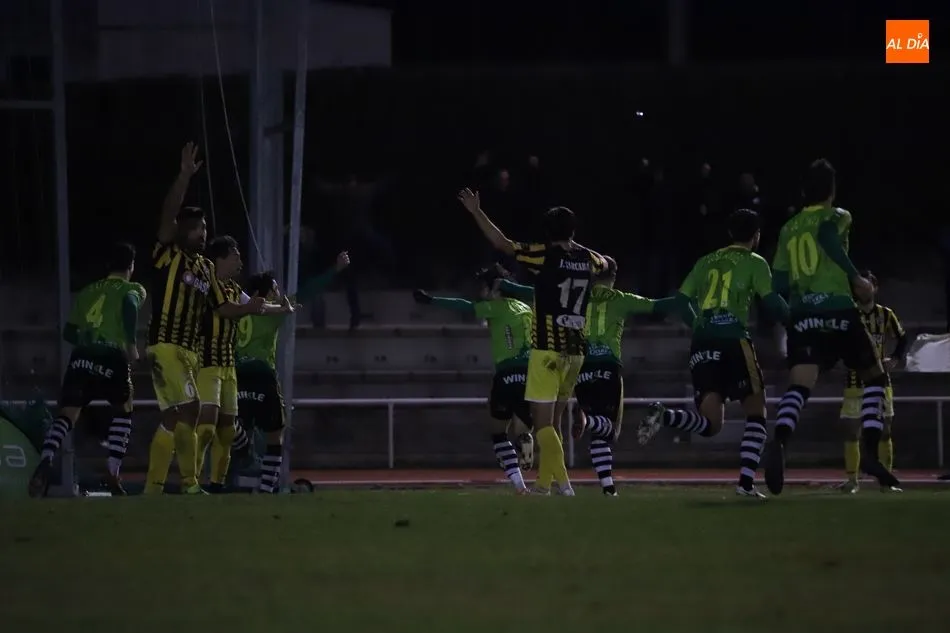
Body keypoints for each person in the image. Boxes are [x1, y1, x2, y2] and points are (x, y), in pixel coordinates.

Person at [764, 159, 900, 495]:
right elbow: (826, 236)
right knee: (874, 377)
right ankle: (869, 450)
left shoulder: (788, 228)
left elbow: (777, 281)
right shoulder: (838, 216)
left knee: (800, 385)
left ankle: (779, 441)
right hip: (838, 309)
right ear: (833, 190)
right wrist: (855, 277)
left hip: (804, 314)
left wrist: (789, 314)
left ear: (803, 191)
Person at [459, 187, 605, 495]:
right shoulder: (589, 258)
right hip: (577, 350)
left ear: (548, 232)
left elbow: (502, 244)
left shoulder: (545, 254)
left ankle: (565, 486)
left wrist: (475, 212)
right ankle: (544, 484)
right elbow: (608, 263)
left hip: (548, 350)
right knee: (554, 422)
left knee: (542, 426)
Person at [638, 209, 789, 499]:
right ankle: (745, 484)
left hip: (703, 344)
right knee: (756, 411)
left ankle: (666, 415)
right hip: (734, 341)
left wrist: (699, 324)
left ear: (730, 234)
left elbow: (681, 301)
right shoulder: (755, 262)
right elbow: (771, 302)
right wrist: (792, 318)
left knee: (711, 425)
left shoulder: (705, 261)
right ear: (756, 236)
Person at [500, 256, 682, 496]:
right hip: (607, 366)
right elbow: (659, 305)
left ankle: (608, 489)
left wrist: (508, 286)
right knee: (609, 430)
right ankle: (588, 423)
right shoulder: (621, 299)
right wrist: (687, 298)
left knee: (593, 436)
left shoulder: (578, 296)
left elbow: (535, 293)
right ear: (614, 277)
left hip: (580, 365)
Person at [144, 142, 266, 495]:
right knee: (193, 409)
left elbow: (221, 307)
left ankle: (152, 489)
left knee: (173, 419)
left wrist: (249, 308)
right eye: (196, 228)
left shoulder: (205, 267)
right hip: (165, 345)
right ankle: (190, 484)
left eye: (205, 228)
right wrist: (184, 176)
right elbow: (168, 216)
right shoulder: (167, 252)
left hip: (188, 351)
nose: (203, 233)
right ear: (182, 231)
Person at [28, 242, 146, 497]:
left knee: (67, 415)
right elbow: (129, 306)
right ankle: (113, 470)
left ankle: (47, 455)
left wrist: (87, 344)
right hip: (111, 355)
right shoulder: (133, 288)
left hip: (81, 356)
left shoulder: (87, 292)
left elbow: (69, 332)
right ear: (131, 266)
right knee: (124, 408)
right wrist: (131, 346)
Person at [234, 251, 350, 493]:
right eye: (274, 289)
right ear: (259, 295)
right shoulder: (271, 313)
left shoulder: (234, 312)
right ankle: (266, 489)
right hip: (262, 375)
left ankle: (239, 460)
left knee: (230, 424)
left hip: (235, 375)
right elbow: (307, 291)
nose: (278, 294)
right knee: (276, 433)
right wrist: (334, 270)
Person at [413, 266, 534, 494]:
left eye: (483, 286)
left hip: (506, 373)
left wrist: (432, 300)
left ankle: (520, 486)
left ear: (494, 287)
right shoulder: (526, 307)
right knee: (523, 418)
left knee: (498, 433)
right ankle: (525, 438)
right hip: (531, 373)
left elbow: (465, 307)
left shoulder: (495, 308)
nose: (481, 291)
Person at [193, 236, 294, 493]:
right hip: (230, 367)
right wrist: (281, 309)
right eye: (235, 254)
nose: (240, 259)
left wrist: (276, 308)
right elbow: (232, 310)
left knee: (224, 427)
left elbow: (253, 307)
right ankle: (263, 488)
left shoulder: (236, 292)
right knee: (269, 431)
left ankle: (215, 482)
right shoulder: (213, 288)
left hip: (232, 366)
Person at [836, 270, 907, 493]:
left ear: (875, 288)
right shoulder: (849, 315)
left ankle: (885, 480)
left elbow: (902, 338)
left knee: (885, 430)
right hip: (854, 381)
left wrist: (895, 359)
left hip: (880, 381)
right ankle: (852, 481)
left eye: (866, 286)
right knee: (851, 431)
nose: (862, 290)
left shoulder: (885, 315)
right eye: (858, 287)